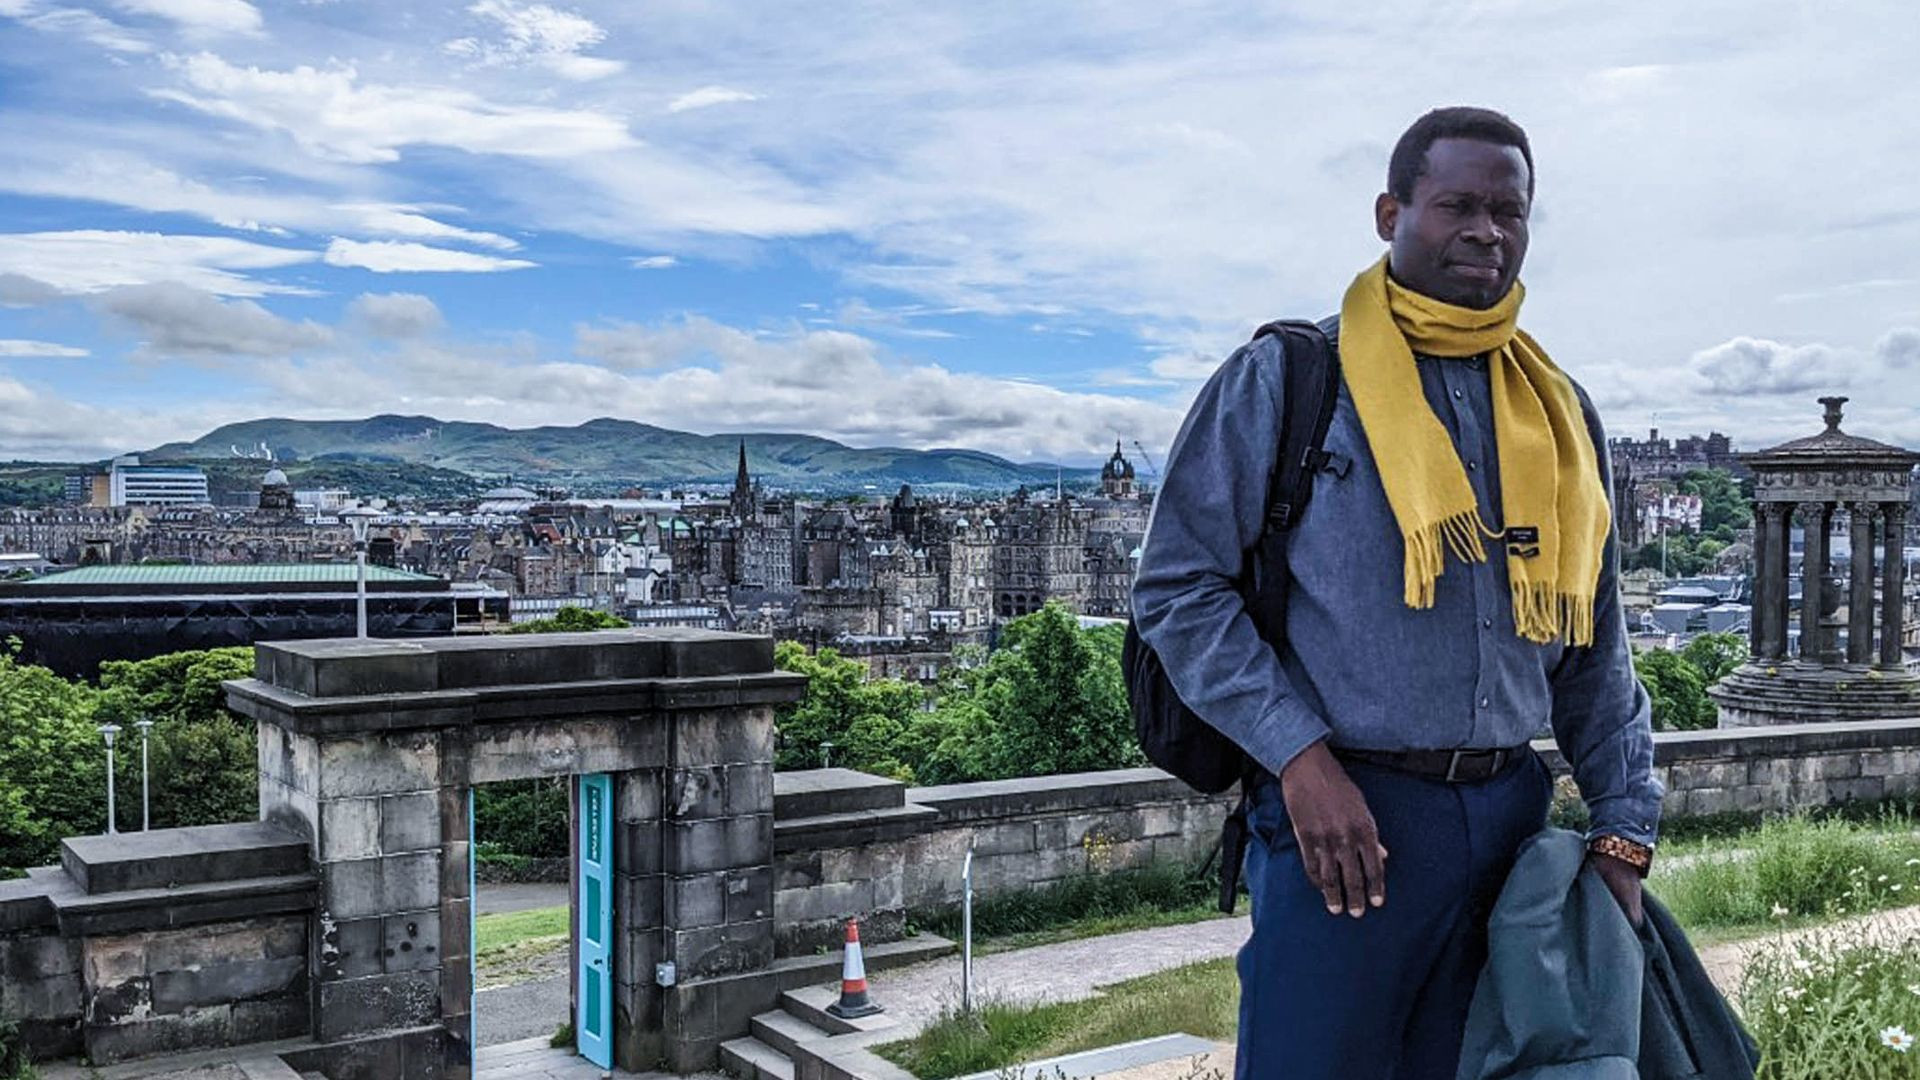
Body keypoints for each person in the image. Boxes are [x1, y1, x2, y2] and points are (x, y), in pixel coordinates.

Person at [1130, 106, 1661, 1080]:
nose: (1486, 231)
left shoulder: (1560, 412)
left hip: (1511, 824)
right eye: (1457, 205)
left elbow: (1595, 643)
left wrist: (1623, 829)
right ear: (1391, 214)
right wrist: (1299, 761)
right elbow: (1176, 588)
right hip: (1346, 819)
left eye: (1509, 211)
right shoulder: (1290, 379)